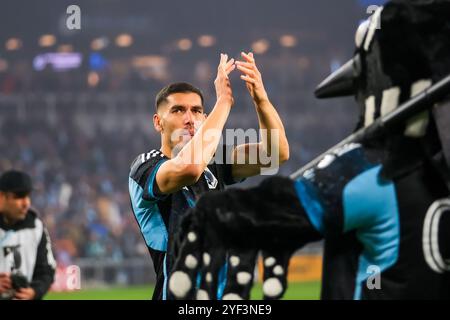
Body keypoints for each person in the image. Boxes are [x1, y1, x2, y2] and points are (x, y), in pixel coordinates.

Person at [128, 52, 290, 300]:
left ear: (205, 118)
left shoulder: (215, 164)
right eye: (178, 110)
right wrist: (223, 102)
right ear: (158, 122)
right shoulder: (146, 167)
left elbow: (275, 154)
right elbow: (189, 168)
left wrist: (261, 100)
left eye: (196, 111)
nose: (189, 119)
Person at [0, 170, 56, 300]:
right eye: (19, 197)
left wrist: (34, 291)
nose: (26, 203)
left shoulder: (36, 228)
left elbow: (47, 271)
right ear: (2, 197)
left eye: (28, 196)